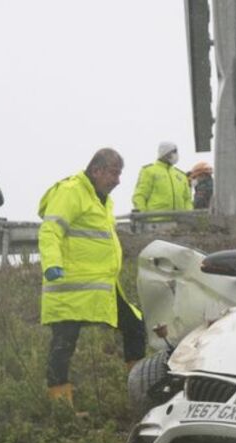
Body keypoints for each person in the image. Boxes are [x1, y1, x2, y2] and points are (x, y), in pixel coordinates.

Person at [38, 148, 146, 407]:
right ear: (96, 170)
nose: (118, 180)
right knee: (64, 344)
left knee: (135, 326)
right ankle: (60, 406)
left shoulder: (102, 200)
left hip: (100, 288)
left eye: (119, 174)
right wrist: (52, 264)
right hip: (69, 287)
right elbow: (50, 230)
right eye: (113, 173)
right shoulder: (71, 192)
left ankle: (140, 391)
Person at [132, 142, 193, 219]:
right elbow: (140, 196)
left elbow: (187, 199)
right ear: (165, 153)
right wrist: (143, 217)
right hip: (156, 223)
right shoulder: (149, 171)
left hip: (180, 223)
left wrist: (189, 216)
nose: (176, 155)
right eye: (174, 152)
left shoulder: (180, 175)